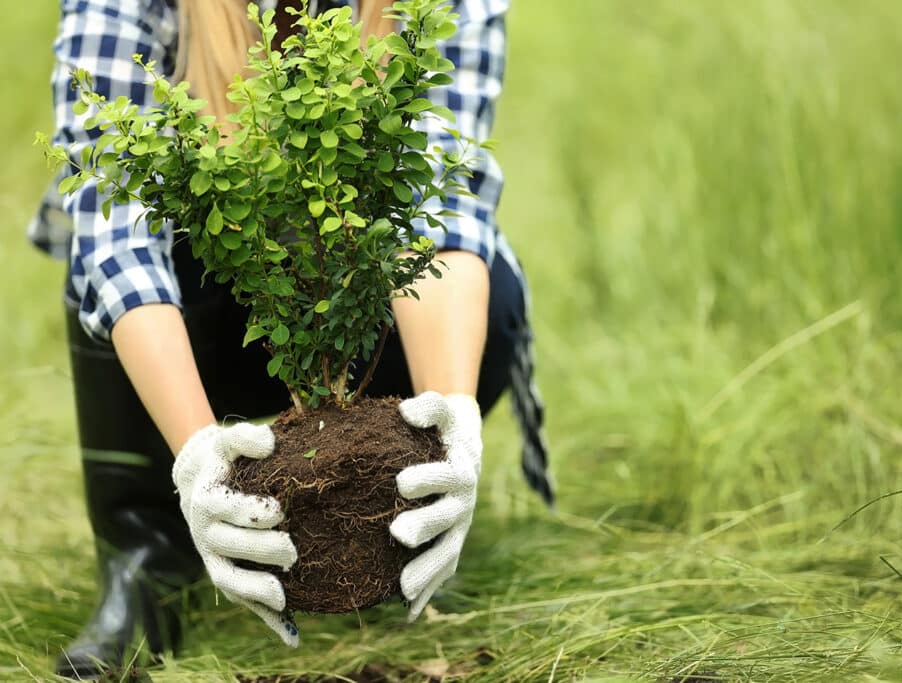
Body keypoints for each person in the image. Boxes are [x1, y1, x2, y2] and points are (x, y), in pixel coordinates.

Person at [29, 0, 554, 678]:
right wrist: (196, 453)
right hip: (210, 302)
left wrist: (451, 416)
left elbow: (443, 208)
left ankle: (399, 528)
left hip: (357, 311)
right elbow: (116, 234)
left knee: (493, 292)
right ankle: (148, 564)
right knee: (104, 273)